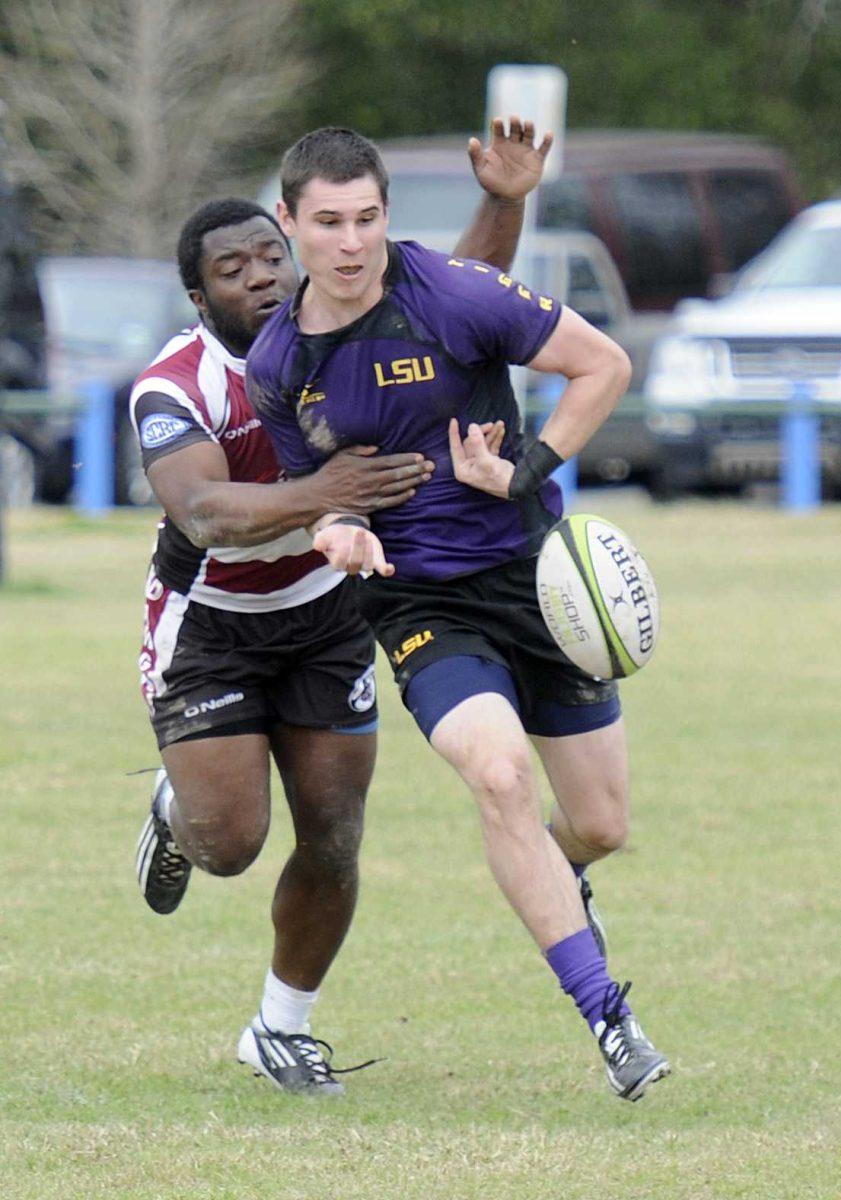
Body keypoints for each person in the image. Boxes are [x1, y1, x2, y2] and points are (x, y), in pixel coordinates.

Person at [246, 127, 671, 1102]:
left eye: (365, 220)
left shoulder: (453, 293)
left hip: (537, 584)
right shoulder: (279, 364)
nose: (348, 244)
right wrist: (340, 530)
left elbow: (602, 364)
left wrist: (521, 470)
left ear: (385, 217)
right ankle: (612, 1020)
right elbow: (323, 488)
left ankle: (558, 884)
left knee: (600, 825)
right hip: (416, 599)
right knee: (498, 772)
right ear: (289, 224)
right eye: (326, 223)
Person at [131, 117, 552, 1096]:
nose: (261, 278)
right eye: (233, 270)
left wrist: (506, 197)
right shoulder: (177, 382)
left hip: (327, 606)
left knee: (333, 829)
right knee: (231, 843)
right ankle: (177, 811)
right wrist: (326, 492)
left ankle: (280, 1028)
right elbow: (201, 509)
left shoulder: (343, 325)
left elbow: (461, 304)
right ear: (200, 298)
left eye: (268, 257)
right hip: (213, 622)